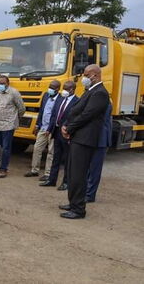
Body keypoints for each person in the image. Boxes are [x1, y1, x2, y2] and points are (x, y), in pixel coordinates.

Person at [59, 64, 110, 219]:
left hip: (85, 139)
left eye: (86, 75)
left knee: (78, 175)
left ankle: (78, 209)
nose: (84, 78)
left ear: (95, 75)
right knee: (73, 172)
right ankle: (73, 202)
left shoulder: (100, 93)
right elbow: (77, 110)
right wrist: (67, 125)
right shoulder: (91, 91)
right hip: (78, 137)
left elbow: (87, 115)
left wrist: (69, 128)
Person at [40, 81, 79, 189]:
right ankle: (52, 180)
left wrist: (69, 131)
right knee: (55, 157)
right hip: (56, 132)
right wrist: (50, 129)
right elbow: (54, 115)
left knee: (67, 159)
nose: (64, 91)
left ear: (72, 89)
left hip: (67, 133)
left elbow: (75, 118)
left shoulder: (77, 101)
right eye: (64, 88)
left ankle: (66, 182)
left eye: (67, 89)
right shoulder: (61, 99)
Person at [25, 80, 61, 180]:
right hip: (42, 127)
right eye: (49, 87)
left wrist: (49, 129)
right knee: (37, 148)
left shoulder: (60, 99)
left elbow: (55, 117)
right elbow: (41, 111)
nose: (50, 89)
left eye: (52, 88)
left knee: (51, 152)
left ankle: (48, 173)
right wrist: (37, 125)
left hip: (52, 130)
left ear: (57, 89)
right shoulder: (45, 95)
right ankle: (34, 170)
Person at [86, 103, 112, 202]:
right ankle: (86, 192)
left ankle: (90, 195)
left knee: (94, 170)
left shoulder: (105, 103)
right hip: (92, 140)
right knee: (88, 169)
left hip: (100, 140)